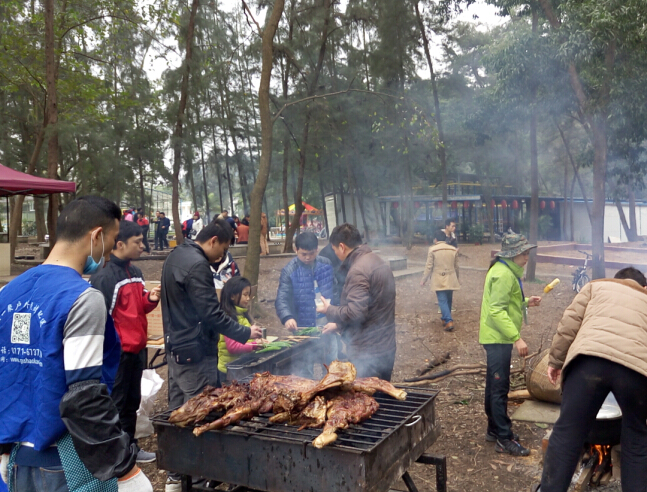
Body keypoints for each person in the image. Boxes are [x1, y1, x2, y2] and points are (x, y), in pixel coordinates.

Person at [0, 196, 153, 492]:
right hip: (68, 462)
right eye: (109, 243)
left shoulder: (7, 293)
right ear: (96, 236)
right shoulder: (82, 298)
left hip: (19, 461)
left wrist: (3, 447)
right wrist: (124, 469)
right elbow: (84, 395)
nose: (107, 257)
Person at [160, 219, 262, 492]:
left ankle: (176, 476)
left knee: (178, 413)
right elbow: (211, 314)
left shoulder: (176, 255)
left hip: (176, 349)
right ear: (213, 240)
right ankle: (199, 478)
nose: (223, 257)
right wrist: (243, 332)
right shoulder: (197, 266)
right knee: (202, 414)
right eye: (224, 249)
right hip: (195, 353)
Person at [532, 267, 647, 492]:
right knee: (636, 442)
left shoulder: (595, 286)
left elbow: (569, 324)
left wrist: (555, 361)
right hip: (635, 372)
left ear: (617, 281)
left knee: (567, 433)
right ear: (642, 286)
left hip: (588, 364)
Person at [90, 221, 160, 465]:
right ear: (119, 244)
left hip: (138, 349)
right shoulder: (105, 276)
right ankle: (115, 454)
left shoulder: (136, 273)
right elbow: (101, 318)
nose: (143, 246)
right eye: (137, 242)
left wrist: (150, 299)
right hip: (118, 354)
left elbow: (139, 307)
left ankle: (131, 447)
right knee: (116, 404)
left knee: (132, 401)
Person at [479, 232, 541, 457]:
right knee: (499, 389)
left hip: (496, 336)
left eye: (527, 253)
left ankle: (494, 430)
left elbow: (506, 301)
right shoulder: (504, 274)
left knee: (493, 387)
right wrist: (517, 337)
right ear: (513, 254)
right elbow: (496, 310)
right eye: (524, 254)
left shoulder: (505, 270)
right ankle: (504, 438)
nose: (527, 258)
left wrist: (526, 302)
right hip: (498, 338)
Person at [316, 223, 397, 381]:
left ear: (342, 246)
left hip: (367, 352)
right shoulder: (378, 262)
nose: (336, 255)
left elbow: (356, 312)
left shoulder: (358, 270)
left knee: (366, 401)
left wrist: (329, 309)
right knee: (382, 396)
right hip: (386, 347)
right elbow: (372, 309)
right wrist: (339, 325)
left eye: (334, 250)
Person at [275, 232, 334, 332]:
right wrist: (288, 318)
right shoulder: (289, 271)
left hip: (327, 324)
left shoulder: (326, 264)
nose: (308, 257)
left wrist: (337, 317)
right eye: (304, 254)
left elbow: (336, 292)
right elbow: (282, 299)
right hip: (303, 326)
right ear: (296, 250)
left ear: (317, 250)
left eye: (311, 253)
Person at [217, 277, 264, 382]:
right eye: (245, 295)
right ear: (233, 296)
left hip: (240, 367)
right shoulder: (227, 318)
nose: (248, 298)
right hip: (228, 371)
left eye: (249, 295)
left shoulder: (242, 315)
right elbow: (232, 347)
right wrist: (254, 345)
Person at [421, 230, 460, 332]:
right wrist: (457, 277)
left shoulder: (432, 250)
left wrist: (423, 279)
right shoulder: (453, 249)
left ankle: (448, 321)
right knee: (449, 299)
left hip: (439, 278)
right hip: (451, 277)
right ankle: (444, 318)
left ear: (435, 239)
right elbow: (456, 266)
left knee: (442, 300)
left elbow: (428, 266)